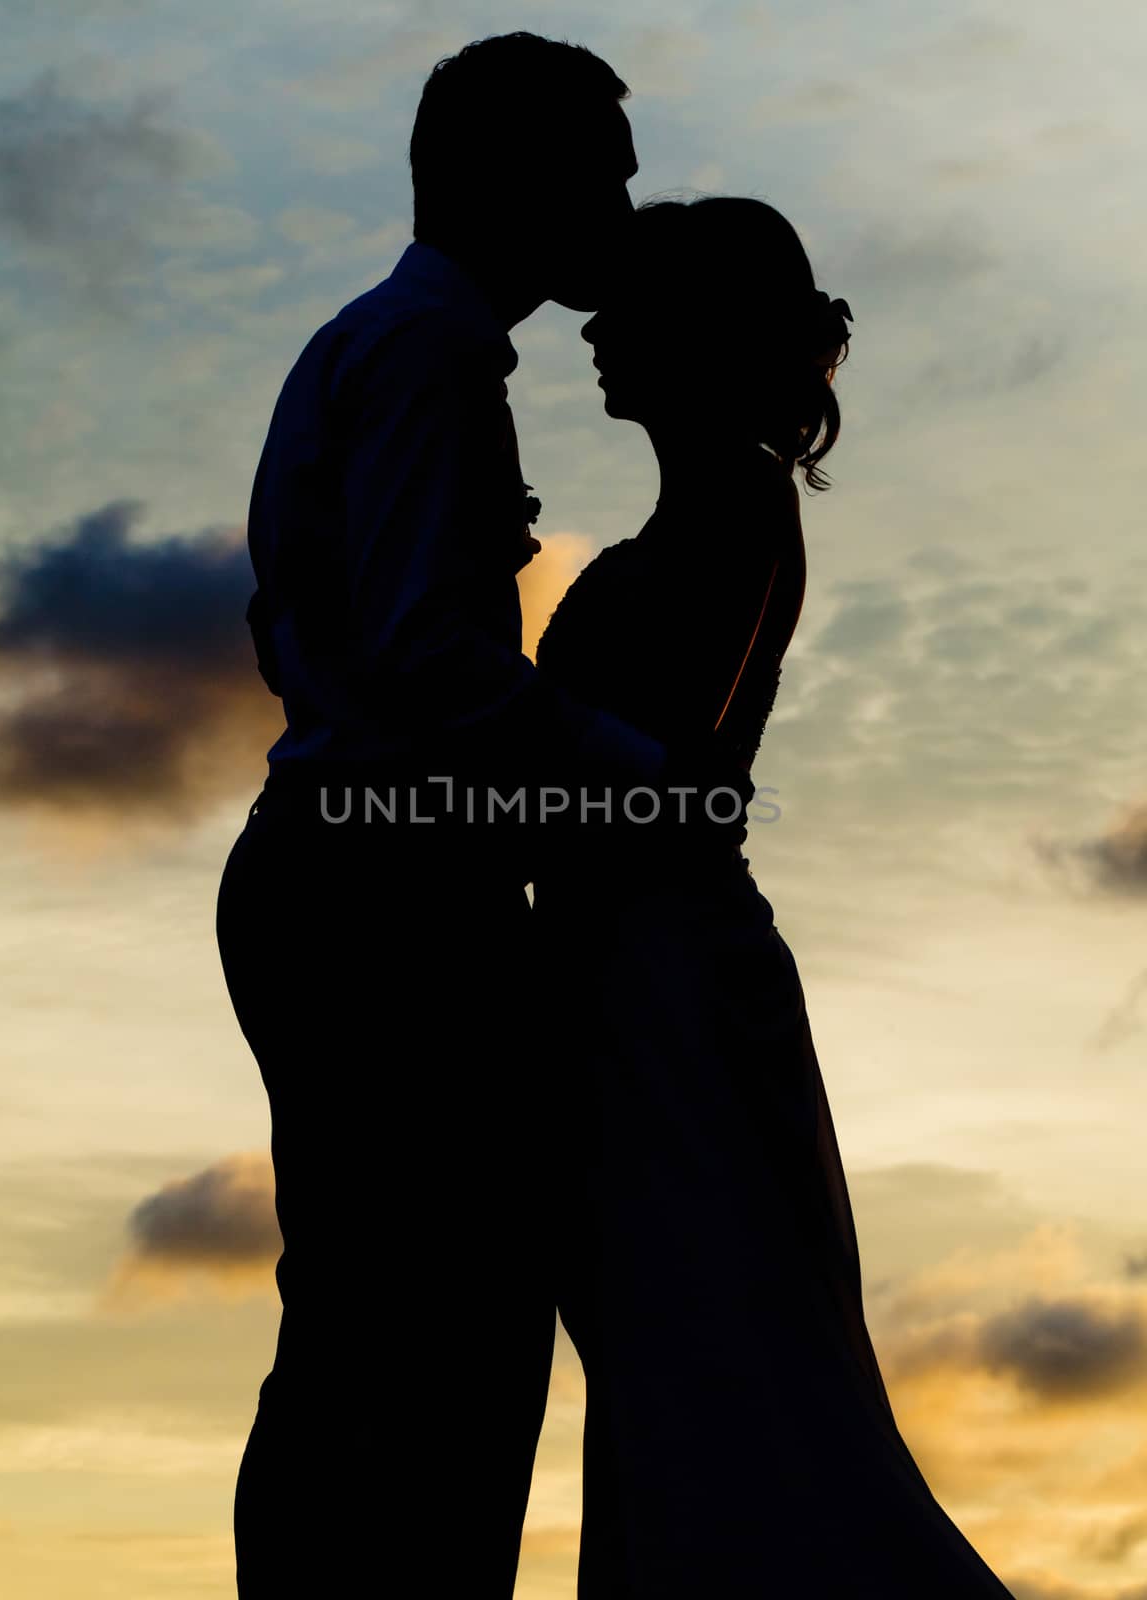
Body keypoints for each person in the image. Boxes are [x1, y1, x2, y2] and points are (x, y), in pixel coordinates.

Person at [214, 35, 754, 1598]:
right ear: (518, 178)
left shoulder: (373, 345)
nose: (631, 195)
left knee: (371, 1316)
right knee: (442, 1326)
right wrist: (646, 786)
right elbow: (430, 659)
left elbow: (302, 628)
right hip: (383, 890)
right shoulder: (432, 360)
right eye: (605, 164)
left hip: (344, 865)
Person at [531, 195, 1019, 1597]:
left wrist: (492, 724)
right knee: (667, 1339)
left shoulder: (737, 504)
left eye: (633, 317)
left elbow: (684, 784)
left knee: (713, 1334)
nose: (601, 338)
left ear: (700, 339)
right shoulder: (697, 509)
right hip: (622, 962)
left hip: (666, 974)